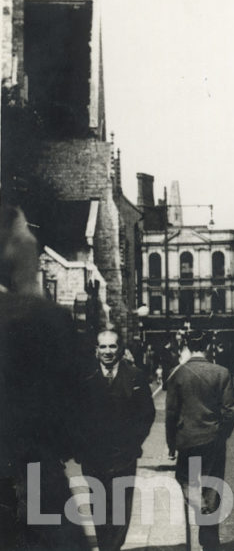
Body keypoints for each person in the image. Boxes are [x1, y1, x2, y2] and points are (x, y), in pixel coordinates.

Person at [0, 204, 90, 550]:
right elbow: (73, 424)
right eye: (25, 234)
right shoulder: (40, 320)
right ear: (9, 246)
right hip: (31, 487)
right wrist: (30, 291)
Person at [75, 330, 156, 551]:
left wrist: (134, 442)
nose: (108, 352)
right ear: (96, 350)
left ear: (120, 349)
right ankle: (105, 546)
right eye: (103, 347)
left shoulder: (135, 376)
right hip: (94, 456)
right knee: (98, 504)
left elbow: (147, 413)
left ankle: (114, 546)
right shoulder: (84, 377)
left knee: (120, 506)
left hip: (124, 455)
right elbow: (74, 415)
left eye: (112, 346)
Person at [165, 332, 234, 551]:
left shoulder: (177, 374)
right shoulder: (221, 372)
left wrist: (171, 444)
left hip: (187, 439)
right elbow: (229, 411)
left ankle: (200, 507)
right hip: (213, 439)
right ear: (209, 345)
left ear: (187, 345)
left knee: (185, 479)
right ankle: (209, 540)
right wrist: (222, 434)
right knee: (212, 486)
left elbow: (171, 413)